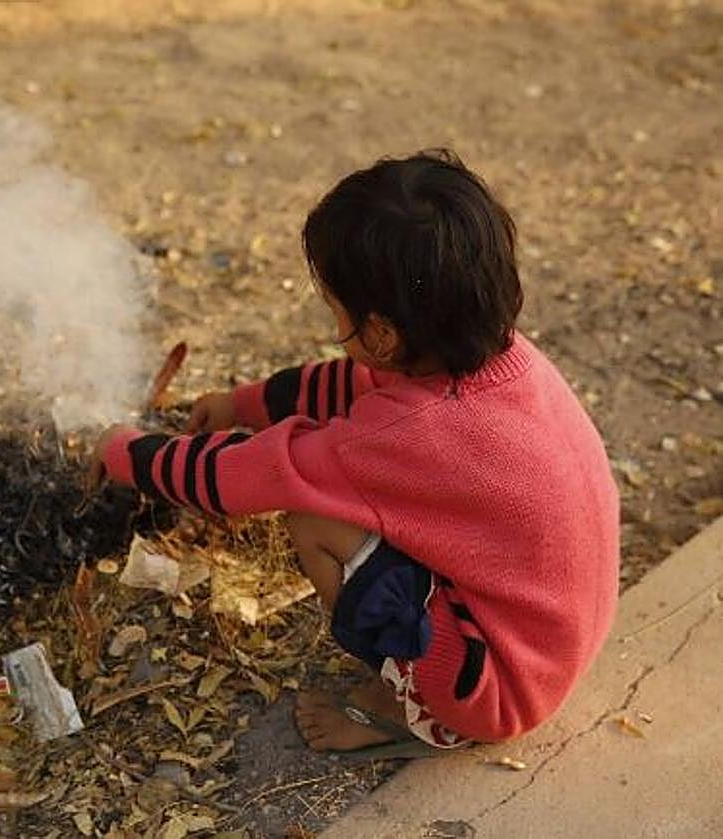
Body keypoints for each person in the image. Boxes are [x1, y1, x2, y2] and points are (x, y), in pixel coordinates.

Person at [85, 150, 619, 758]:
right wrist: (246, 402)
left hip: (501, 691)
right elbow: (361, 384)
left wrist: (130, 455)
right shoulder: (492, 356)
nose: (332, 320)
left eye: (335, 308)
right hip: (556, 642)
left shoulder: (401, 434)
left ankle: (412, 712)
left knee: (316, 520)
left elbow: (245, 477)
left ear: (382, 334)